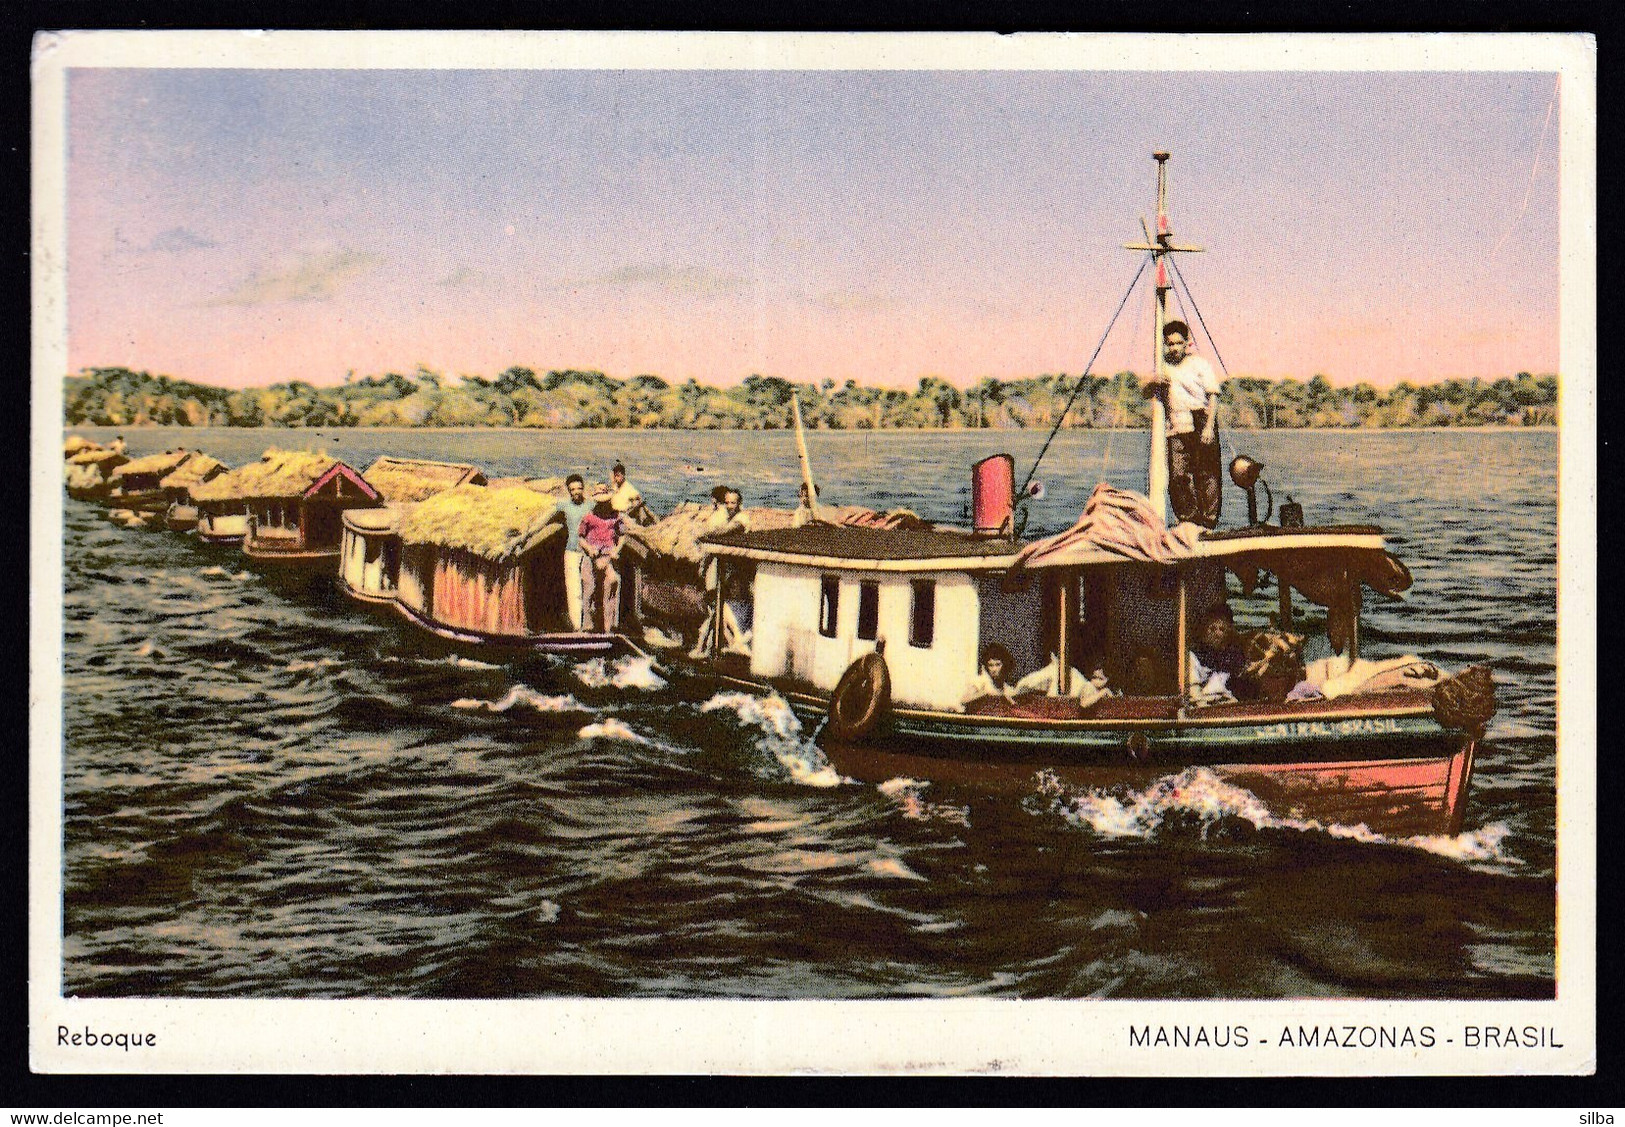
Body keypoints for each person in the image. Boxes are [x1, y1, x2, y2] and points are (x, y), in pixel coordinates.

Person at [1147, 320, 1222, 528]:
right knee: (1178, 475)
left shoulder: (1200, 364)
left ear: (1186, 343)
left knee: (1207, 474)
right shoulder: (1163, 366)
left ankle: (1208, 522)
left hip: (1200, 420)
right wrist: (1152, 382)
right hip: (1177, 425)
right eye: (1169, 344)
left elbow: (1213, 395)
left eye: (1178, 343)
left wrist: (1208, 426)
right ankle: (1188, 519)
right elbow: (1146, 391)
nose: (1173, 348)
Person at [578, 484, 625, 632]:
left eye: (605, 501)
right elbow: (580, 537)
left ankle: (609, 627)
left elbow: (623, 535)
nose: (603, 505)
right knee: (589, 589)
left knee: (612, 583)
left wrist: (616, 550)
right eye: (600, 502)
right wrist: (589, 548)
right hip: (591, 556)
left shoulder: (616, 517)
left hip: (608, 556)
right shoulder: (588, 517)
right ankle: (587, 626)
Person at [1189, 604, 1260, 701]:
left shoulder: (1232, 656)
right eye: (1212, 629)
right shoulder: (1193, 657)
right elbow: (1195, 695)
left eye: (1222, 630)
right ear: (1203, 631)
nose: (1217, 634)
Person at [557, 474, 593, 630]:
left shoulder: (591, 506)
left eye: (579, 488)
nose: (576, 492)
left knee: (589, 588)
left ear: (583, 488)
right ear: (568, 491)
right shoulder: (564, 506)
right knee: (574, 590)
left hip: (587, 552)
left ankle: (588, 624)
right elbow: (545, 516)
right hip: (571, 551)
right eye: (573, 489)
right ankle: (577, 627)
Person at [1016, 649, 1110, 706]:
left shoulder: (1075, 676)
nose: (1096, 682)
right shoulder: (1088, 686)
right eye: (1094, 678)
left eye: (1100, 679)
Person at [609, 461, 656, 526]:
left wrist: (632, 508)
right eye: (615, 476)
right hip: (613, 514)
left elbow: (639, 499)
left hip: (623, 516)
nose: (616, 478)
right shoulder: (615, 486)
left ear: (623, 475)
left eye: (618, 476)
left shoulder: (629, 488)